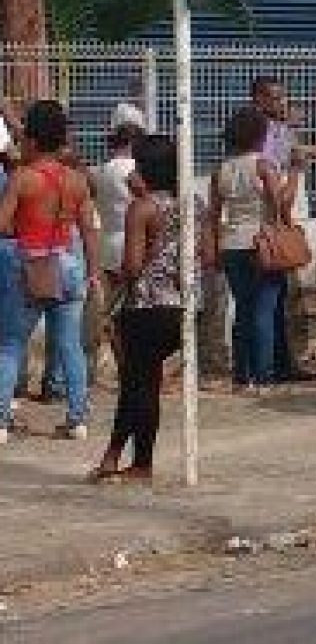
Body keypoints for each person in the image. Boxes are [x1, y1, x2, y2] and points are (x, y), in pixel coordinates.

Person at [90, 135, 192, 483]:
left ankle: (134, 460)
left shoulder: (143, 208)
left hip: (145, 306)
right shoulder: (191, 204)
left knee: (138, 385)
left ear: (144, 169)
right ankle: (119, 456)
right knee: (144, 383)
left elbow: (132, 267)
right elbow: (206, 255)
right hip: (181, 305)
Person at [0, 100, 102, 442]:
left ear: (31, 139)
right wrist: (93, 272)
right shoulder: (76, 180)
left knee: (11, 344)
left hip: (30, 264)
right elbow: (88, 229)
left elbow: (2, 225)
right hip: (69, 264)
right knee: (70, 345)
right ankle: (77, 419)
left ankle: (1, 420)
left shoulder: (22, 178)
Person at [207, 109, 296, 393]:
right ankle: (264, 375)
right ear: (259, 136)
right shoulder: (263, 166)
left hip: (232, 244)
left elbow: (213, 214)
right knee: (265, 309)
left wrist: (214, 247)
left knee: (243, 310)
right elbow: (281, 204)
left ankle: (241, 376)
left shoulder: (221, 169)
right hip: (261, 243)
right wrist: (294, 174)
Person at [244, 75, 316, 384]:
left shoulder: (281, 131)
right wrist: (286, 219)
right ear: (258, 99)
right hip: (271, 221)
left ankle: (281, 361)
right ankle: (266, 368)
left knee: (279, 298)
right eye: (274, 98)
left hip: (282, 216)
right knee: (266, 300)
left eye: (282, 97)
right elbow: (276, 188)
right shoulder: (257, 134)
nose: (281, 103)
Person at [93, 124, 145, 286]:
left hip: (107, 242)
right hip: (130, 242)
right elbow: (146, 198)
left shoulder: (102, 169)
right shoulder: (131, 167)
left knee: (115, 298)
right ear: (133, 143)